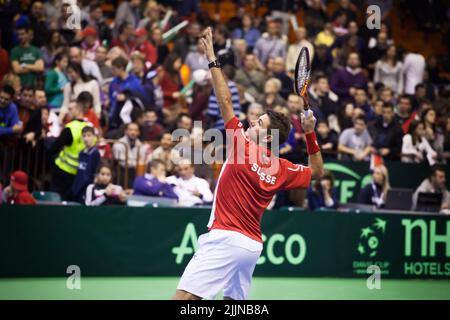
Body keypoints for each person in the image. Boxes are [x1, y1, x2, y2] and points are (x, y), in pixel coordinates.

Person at [173, 27, 323, 301]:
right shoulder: (282, 168)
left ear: (267, 136)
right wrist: (310, 133)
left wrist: (211, 58)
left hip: (225, 238)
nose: (253, 121)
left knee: (183, 301)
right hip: (251, 246)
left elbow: (224, 100)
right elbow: (318, 172)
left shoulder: (241, 143)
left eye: (260, 122)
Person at [50, 101, 89, 200]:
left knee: (56, 200)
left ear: (78, 110)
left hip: (63, 170)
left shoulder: (71, 127)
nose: (68, 112)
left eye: (71, 109)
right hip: (80, 173)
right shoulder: (90, 128)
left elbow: (55, 147)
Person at [71, 126, 101, 203]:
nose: (86, 138)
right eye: (84, 136)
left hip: (87, 188)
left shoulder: (95, 153)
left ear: (94, 137)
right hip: (78, 187)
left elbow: (95, 172)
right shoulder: (81, 153)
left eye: (89, 135)